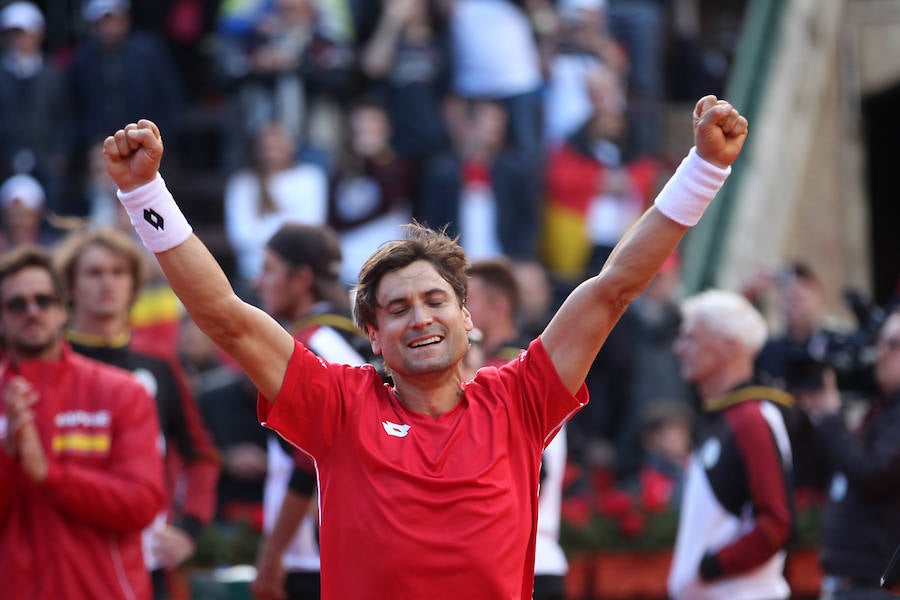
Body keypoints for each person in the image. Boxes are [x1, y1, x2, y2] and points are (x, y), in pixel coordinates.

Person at [103, 94, 746, 599]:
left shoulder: (519, 397)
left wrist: (702, 169)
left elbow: (614, 288)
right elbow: (227, 318)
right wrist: (144, 194)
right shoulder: (338, 405)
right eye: (398, 308)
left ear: (469, 319)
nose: (420, 317)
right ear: (374, 336)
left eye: (436, 300)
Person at [53, 227, 221, 600]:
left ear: (134, 284)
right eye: (94, 273)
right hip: (62, 556)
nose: (107, 283)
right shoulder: (48, 363)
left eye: (118, 272)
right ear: (70, 286)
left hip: (144, 559)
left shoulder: (159, 365)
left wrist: (189, 529)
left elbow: (201, 455)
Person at [0, 245, 165, 599]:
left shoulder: (120, 391)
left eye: (43, 300)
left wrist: (51, 476)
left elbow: (142, 503)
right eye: (16, 304)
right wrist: (8, 459)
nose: (32, 311)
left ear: (62, 308)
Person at [250, 222, 375, 600]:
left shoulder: (311, 347)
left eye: (269, 269)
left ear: (301, 278)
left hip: (318, 560)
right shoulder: (355, 337)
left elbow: (310, 460)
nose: (259, 283)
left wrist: (272, 553)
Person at [668, 289, 794, 600]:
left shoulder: (751, 419)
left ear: (729, 347)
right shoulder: (729, 416)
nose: (678, 348)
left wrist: (711, 567)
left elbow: (776, 524)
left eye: (691, 338)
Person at [466, 256, 568, 599]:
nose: (452, 311)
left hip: (513, 563)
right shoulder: (523, 369)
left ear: (498, 307)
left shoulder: (499, 375)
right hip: (532, 557)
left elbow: (536, 470)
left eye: (464, 300)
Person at [794, 309, 900, 600]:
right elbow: (816, 474)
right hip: (850, 580)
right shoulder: (882, 407)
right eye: (879, 342)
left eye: (892, 344)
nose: (880, 352)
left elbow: (873, 473)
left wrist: (830, 418)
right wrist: (810, 417)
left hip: (876, 583)